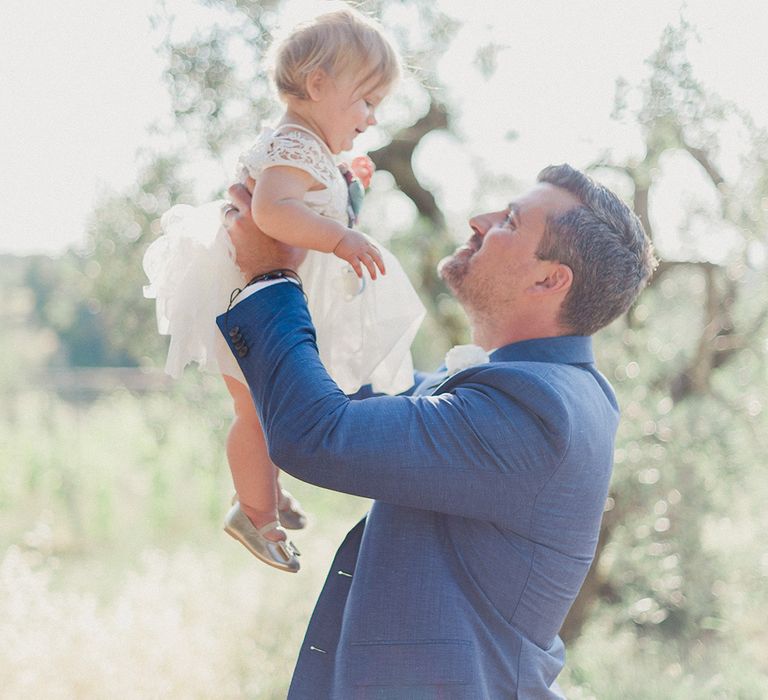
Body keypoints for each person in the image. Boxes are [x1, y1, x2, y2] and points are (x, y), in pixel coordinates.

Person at [218, 163, 657, 697]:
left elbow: (317, 432)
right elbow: (346, 390)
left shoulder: (537, 413)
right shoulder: (510, 389)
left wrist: (269, 277)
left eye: (510, 222)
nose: (478, 219)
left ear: (549, 279)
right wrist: (318, 225)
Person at [142, 8, 424, 573]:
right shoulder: (293, 143)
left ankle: (259, 492)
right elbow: (272, 211)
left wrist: (348, 189)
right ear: (318, 85)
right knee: (254, 411)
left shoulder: (307, 148)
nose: (371, 119)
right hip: (245, 296)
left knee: (264, 407)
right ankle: (254, 514)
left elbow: (304, 200)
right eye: (366, 101)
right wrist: (340, 237)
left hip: (259, 296)